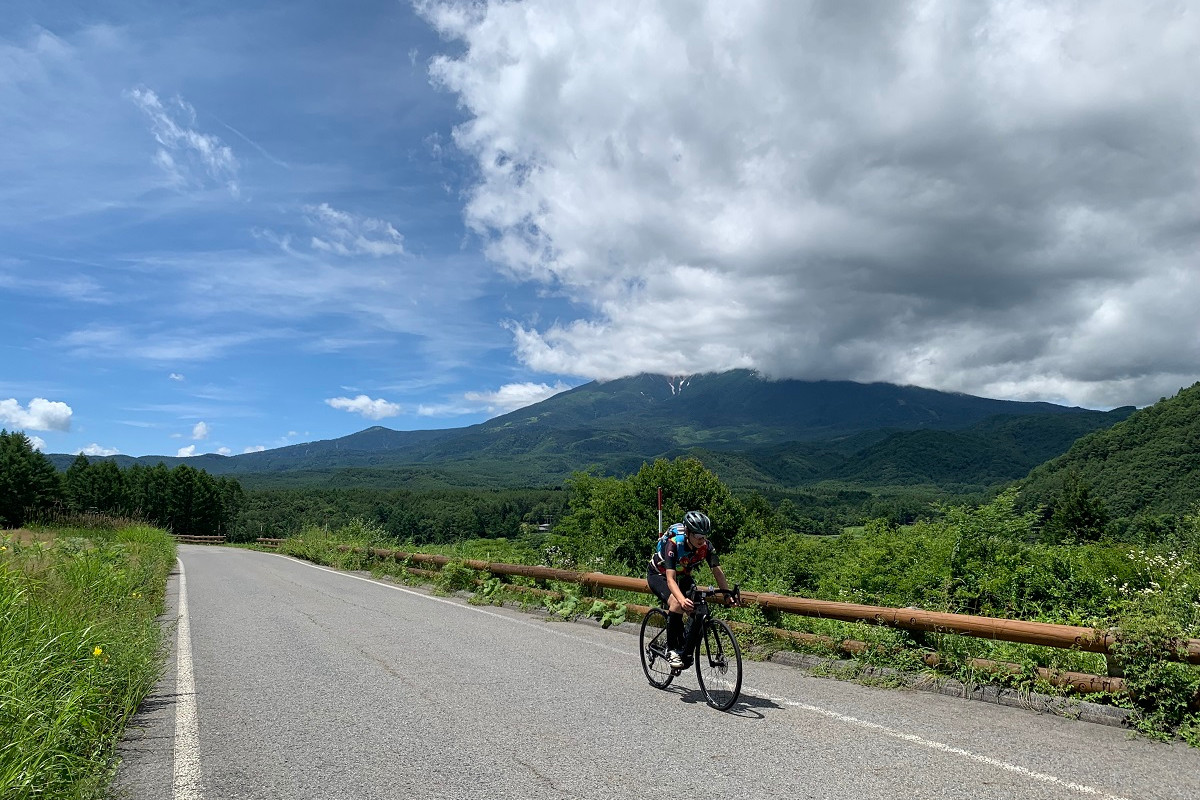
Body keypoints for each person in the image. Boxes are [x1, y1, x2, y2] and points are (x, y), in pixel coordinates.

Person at [647, 510, 735, 670]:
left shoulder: (706, 546)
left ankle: (686, 649)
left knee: (699, 609)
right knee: (677, 603)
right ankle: (671, 649)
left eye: (705, 536)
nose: (703, 540)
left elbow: (717, 571)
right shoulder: (674, 543)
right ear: (688, 533)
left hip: (683, 576)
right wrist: (681, 599)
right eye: (699, 537)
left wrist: (726, 593)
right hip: (659, 574)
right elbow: (670, 580)